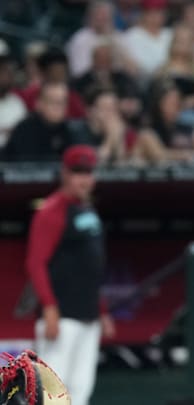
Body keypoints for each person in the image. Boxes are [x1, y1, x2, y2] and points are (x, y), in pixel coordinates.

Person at [26, 145, 115, 405]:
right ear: (64, 173)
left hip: (88, 315)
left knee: (81, 388)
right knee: (53, 391)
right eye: (77, 172)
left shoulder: (87, 210)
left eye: (87, 172)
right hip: (62, 316)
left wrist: (102, 310)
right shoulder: (51, 210)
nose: (83, 179)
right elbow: (35, 263)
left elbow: (92, 269)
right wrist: (50, 307)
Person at [3, 82, 75, 162]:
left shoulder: (71, 131)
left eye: (62, 102)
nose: (58, 107)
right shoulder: (24, 130)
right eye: (53, 102)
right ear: (39, 103)